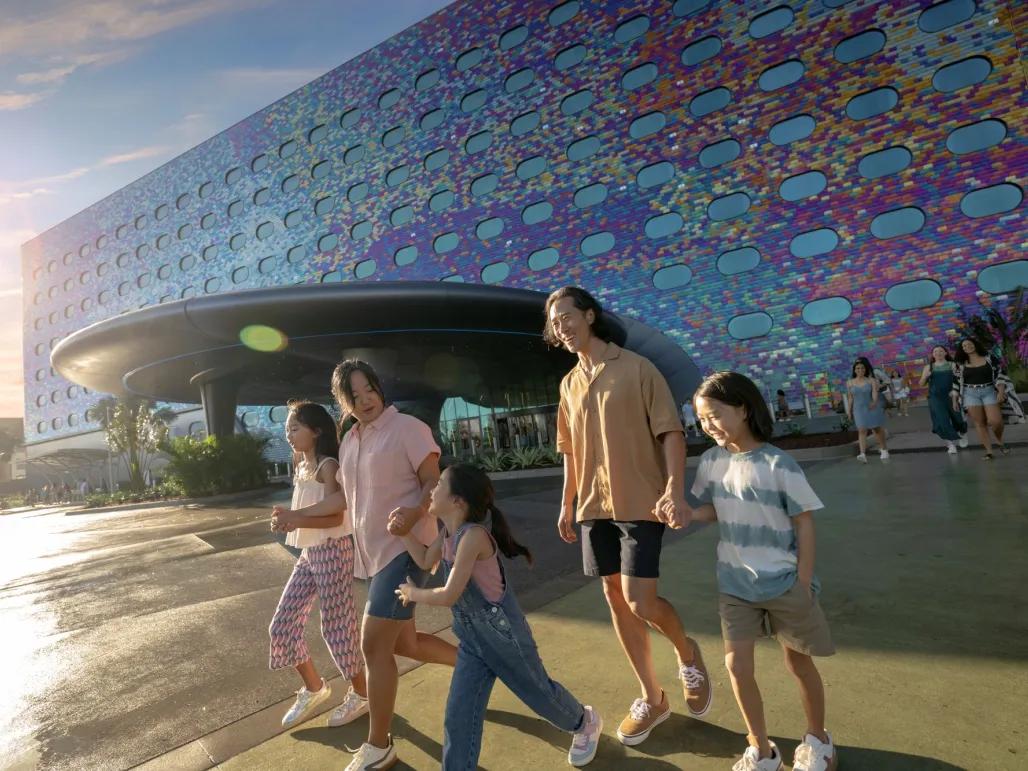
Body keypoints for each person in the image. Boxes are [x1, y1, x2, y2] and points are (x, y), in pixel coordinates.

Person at [546, 286, 710, 747]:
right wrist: (566, 502)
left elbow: (671, 433)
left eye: (567, 316)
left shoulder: (638, 368)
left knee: (640, 599)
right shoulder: (568, 384)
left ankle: (687, 653)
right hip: (594, 507)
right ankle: (652, 697)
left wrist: (674, 490)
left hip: (642, 500)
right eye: (555, 323)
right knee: (615, 597)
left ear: (590, 316)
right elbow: (570, 451)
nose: (561, 326)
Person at [278, 359, 457, 771]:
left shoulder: (408, 428)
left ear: (379, 387)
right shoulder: (351, 439)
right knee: (403, 644)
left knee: (373, 645)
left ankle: (379, 745)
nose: (365, 399)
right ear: (344, 402)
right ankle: (473, 666)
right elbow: (344, 500)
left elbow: (433, 480)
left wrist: (414, 513)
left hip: (407, 550)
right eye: (353, 396)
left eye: (369, 389)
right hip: (373, 555)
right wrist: (298, 517)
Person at [394, 463, 603, 769]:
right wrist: (403, 533)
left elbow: (450, 594)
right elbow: (426, 559)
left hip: (505, 638)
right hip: (472, 642)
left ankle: (584, 721)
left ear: (457, 501)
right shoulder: (448, 533)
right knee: (459, 714)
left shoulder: (473, 537)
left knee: (540, 695)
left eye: (439, 484)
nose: (432, 489)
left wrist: (414, 594)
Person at [688, 371, 838, 771]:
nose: (708, 425)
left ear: (743, 408)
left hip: (785, 583)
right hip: (735, 585)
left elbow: (804, 521)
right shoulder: (710, 462)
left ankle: (818, 741)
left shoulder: (779, 463)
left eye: (715, 414)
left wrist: (803, 582)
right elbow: (713, 510)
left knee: (798, 663)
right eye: (702, 419)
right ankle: (762, 749)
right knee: (736, 667)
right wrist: (686, 514)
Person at [268, 401, 364, 728]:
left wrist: (296, 519)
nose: (289, 435)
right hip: (311, 553)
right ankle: (314, 688)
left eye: (295, 428)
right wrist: (288, 518)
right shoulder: (302, 465)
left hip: (333, 550)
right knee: (282, 625)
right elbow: (307, 512)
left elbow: (337, 514)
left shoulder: (327, 464)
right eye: (287, 430)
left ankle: (362, 694)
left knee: (336, 628)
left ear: (317, 430)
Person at [952, 338, 1022, 459]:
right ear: (962, 349)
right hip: (970, 393)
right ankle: (989, 452)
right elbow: (955, 382)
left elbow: (1000, 373)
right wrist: (955, 400)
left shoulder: (989, 357)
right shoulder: (960, 363)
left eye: (970, 344)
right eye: (964, 346)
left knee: (996, 421)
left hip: (989, 391)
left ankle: (999, 441)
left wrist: (1000, 391)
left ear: (975, 344)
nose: (967, 346)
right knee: (980, 423)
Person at [918, 346, 968, 454]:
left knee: (958, 419)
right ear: (933, 354)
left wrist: (956, 396)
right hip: (936, 398)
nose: (938, 353)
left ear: (945, 353)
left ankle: (963, 432)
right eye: (935, 351)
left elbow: (959, 382)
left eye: (941, 351)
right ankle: (951, 445)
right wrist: (926, 376)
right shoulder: (928, 367)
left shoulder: (953, 365)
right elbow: (921, 384)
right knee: (942, 421)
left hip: (952, 396)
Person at [846, 357, 889, 463]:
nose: (860, 370)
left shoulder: (871, 380)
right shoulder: (849, 382)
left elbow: (874, 393)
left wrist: (874, 402)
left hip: (871, 407)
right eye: (857, 368)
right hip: (858, 409)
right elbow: (850, 398)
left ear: (865, 369)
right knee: (862, 430)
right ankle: (862, 454)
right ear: (854, 370)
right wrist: (849, 411)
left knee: (877, 429)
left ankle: (884, 449)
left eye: (862, 368)